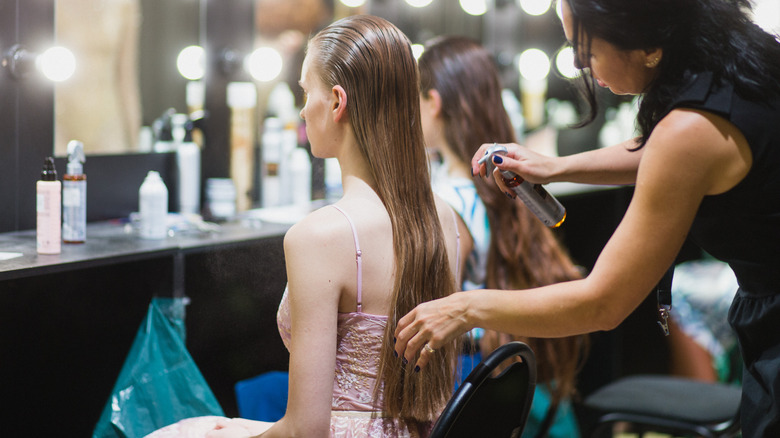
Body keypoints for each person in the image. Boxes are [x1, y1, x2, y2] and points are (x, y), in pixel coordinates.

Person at [393, 1, 780, 436]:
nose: (576, 61)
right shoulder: (736, 68)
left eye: (587, 49)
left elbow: (603, 303)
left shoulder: (690, 130)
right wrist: (555, 167)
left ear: (646, 43)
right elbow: (658, 150)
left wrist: (467, 306)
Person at [145, 14, 465, 438]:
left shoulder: (321, 236)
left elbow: (306, 431)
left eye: (304, 91)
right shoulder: (445, 220)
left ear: (336, 101)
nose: (301, 108)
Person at [418, 35, 588, 438]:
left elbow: (438, 309)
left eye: (414, 100)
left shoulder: (450, 202)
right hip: (511, 358)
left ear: (434, 102)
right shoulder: (507, 181)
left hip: (471, 369)